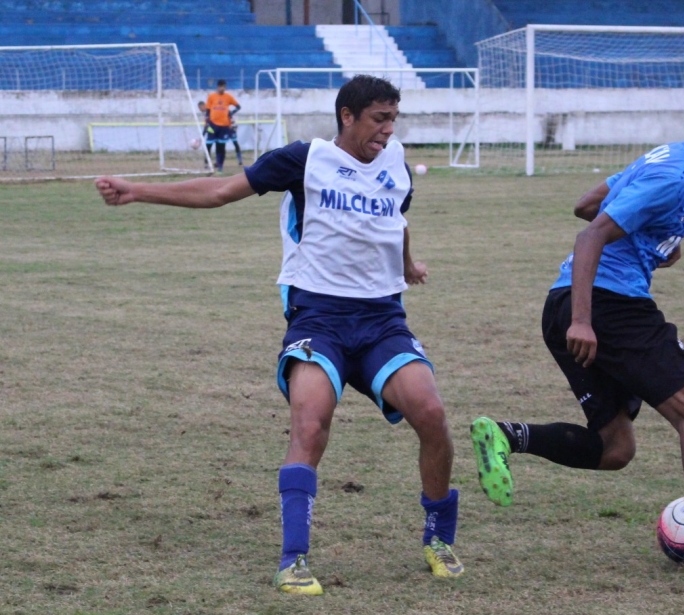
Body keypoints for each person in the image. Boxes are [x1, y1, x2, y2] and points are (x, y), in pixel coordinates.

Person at [95, 75, 465, 596]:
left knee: (431, 414)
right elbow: (222, 191)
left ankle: (438, 539)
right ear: (347, 116)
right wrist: (138, 192)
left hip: (382, 319)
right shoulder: (303, 159)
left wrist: (408, 265)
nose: (388, 130)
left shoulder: (397, 162)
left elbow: (394, 222)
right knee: (310, 425)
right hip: (319, 318)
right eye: (379, 119)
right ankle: (294, 559)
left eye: (392, 119)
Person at [470, 80, 684, 590]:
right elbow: (590, 233)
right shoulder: (673, 174)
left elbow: (587, 205)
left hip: (567, 304)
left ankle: (507, 436)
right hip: (606, 306)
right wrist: (584, 319)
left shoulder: (662, 158)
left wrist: (651, 242)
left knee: (614, 449)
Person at [205, 79, 244, 172]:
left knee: (221, 146)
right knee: (208, 145)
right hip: (212, 125)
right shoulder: (211, 96)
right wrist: (206, 122)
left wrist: (230, 113)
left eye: (223, 87)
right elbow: (208, 110)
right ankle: (207, 163)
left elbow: (238, 106)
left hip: (224, 126)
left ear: (225, 87)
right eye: (220, 86)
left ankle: (220, 166)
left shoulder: (228, 97)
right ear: (217, 87)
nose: (222, 88)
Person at [196, 101, 213, 168]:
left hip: (216, 131)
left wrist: (202, 135)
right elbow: (206, 126)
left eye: (200, 107)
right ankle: (207, 163)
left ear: (203, 105)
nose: (200, 110)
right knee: (208, 147)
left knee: (219, 147)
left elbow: (208, 125)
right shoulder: (206, 114)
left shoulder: (210, 111)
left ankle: (217, 164)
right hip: (211, 132)